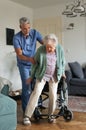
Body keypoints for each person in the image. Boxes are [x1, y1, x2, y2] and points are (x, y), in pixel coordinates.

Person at [23, 33, 66, 125]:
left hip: (54, 76)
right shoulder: (40, 50)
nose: (48, 49)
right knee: (36, 93)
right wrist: (31, 76)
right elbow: (35, 64)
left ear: (55, 45)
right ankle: (27, 116)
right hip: (42, 75)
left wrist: (62, 72)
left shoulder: (60, 49)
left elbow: (62, 62)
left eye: (51, 47)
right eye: (47, 47)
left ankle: (51, 116)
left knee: (53, 96)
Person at [13, 17, 44, 112]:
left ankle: (37, 106)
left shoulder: (35, 33)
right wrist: (30, 59)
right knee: (26, 87)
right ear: (20, 27)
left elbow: (44, 44)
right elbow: (20, 55)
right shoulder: (16, 38)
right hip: (23, 65)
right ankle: (26, 111)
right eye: (24, 29)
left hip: (34, 64)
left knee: (37, 85)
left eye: (28, 28)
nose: (27, 30)